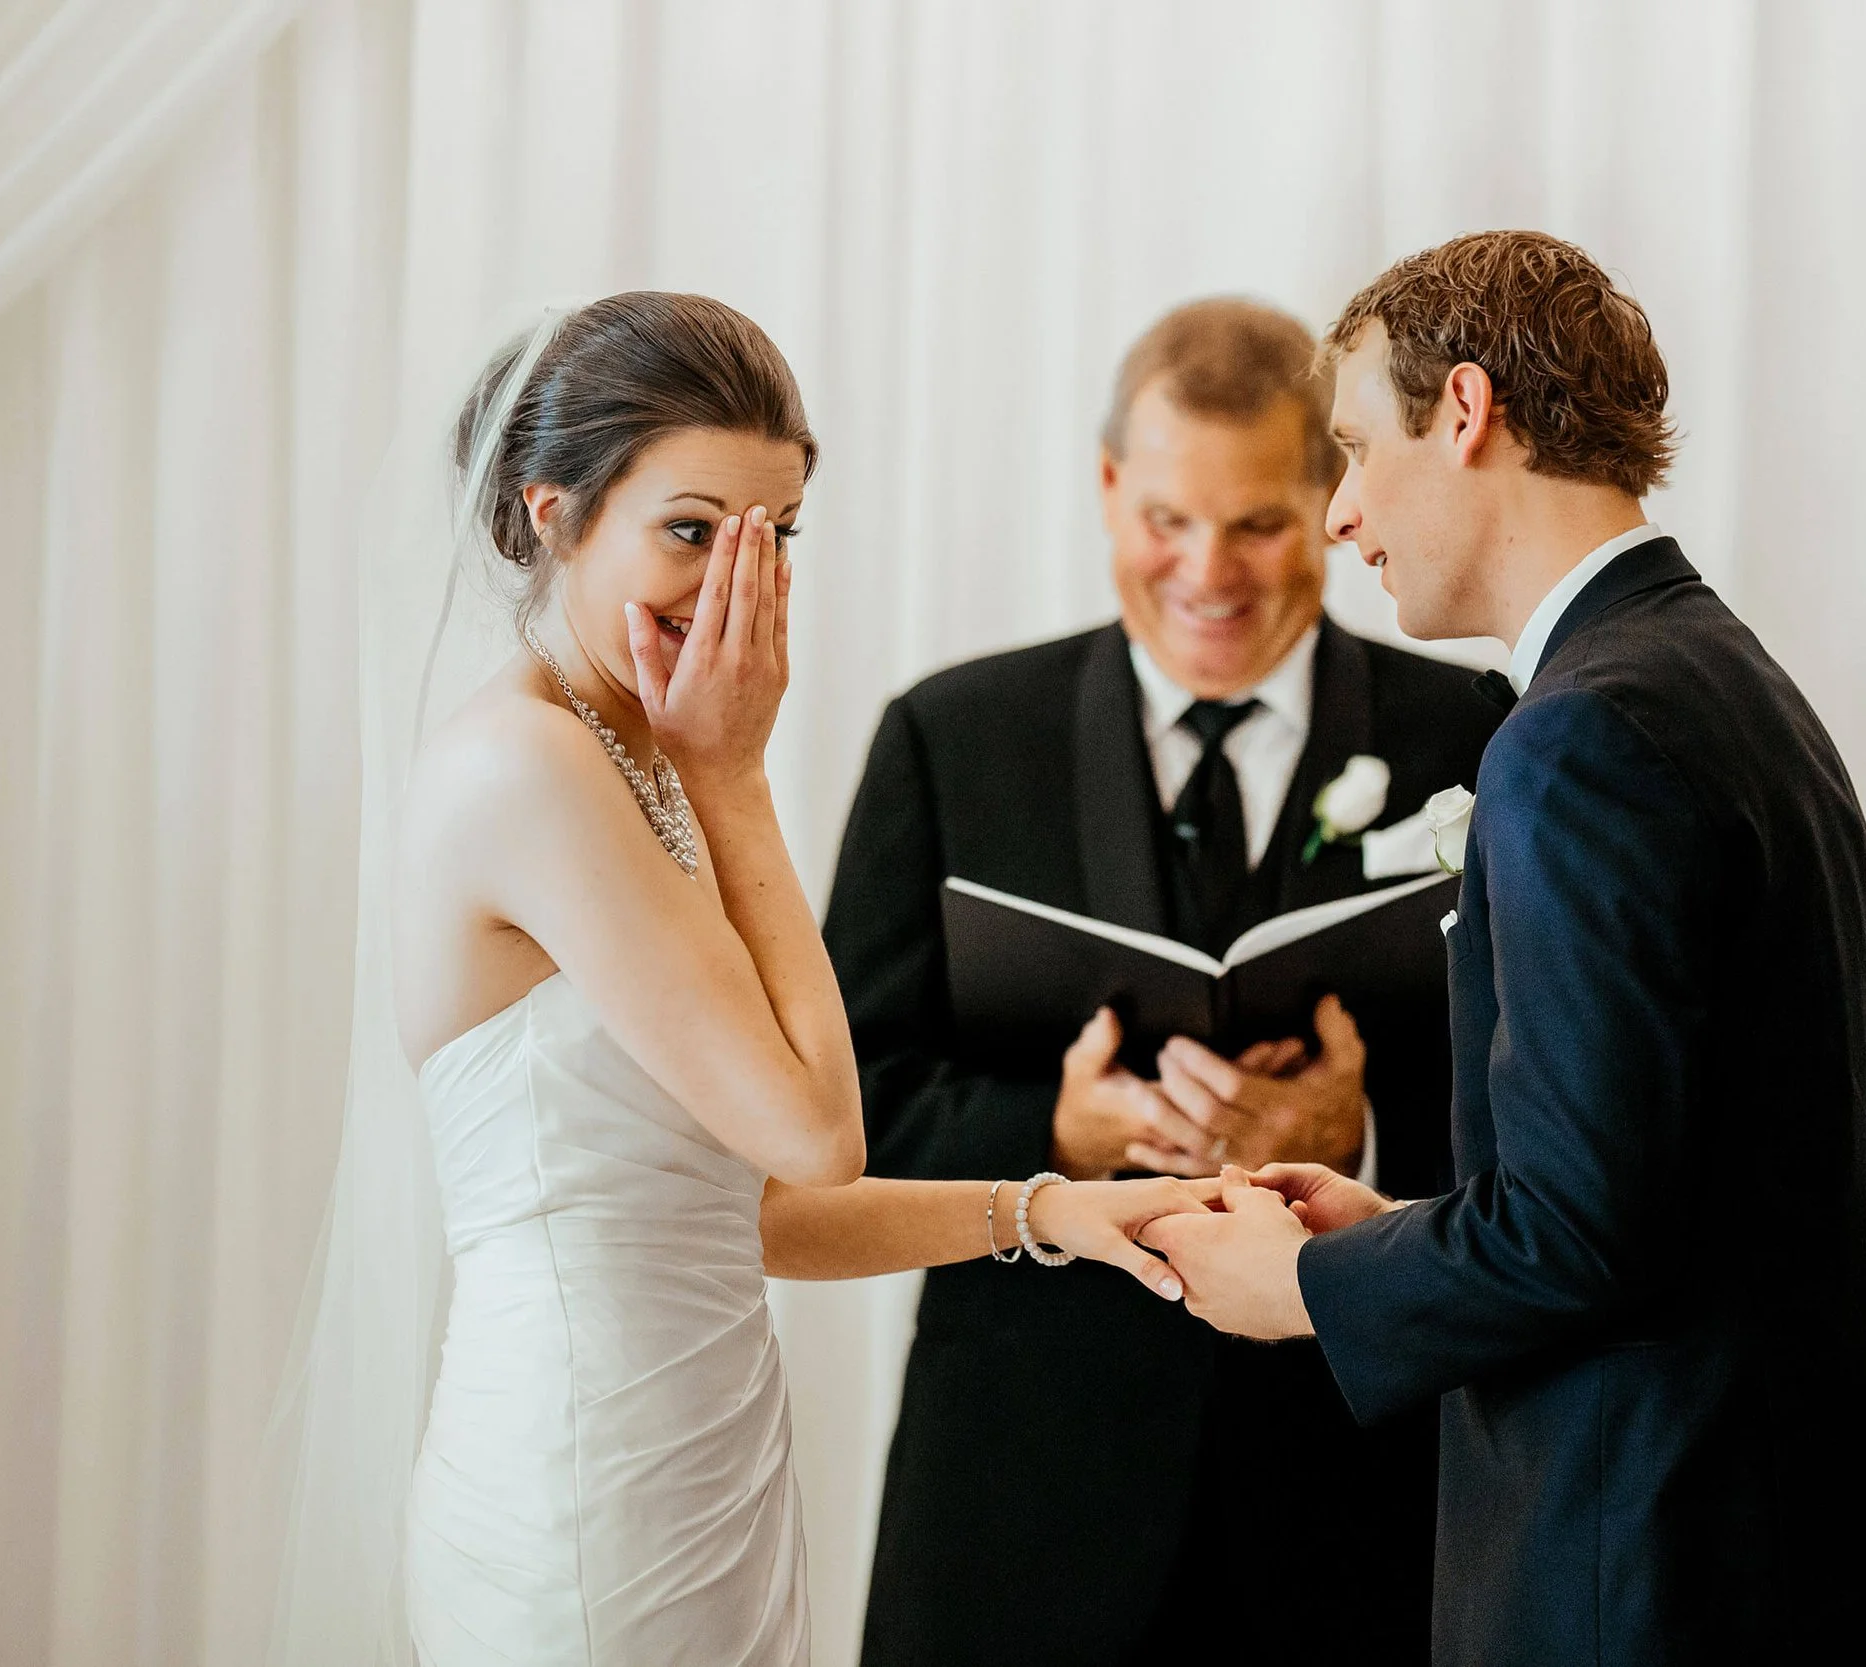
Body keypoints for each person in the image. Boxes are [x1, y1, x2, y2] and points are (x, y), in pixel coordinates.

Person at [282, 292, 1212, 1667]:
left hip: (705, 1461)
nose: (736, 582)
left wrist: (1051, 1209)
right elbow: (818, 1132)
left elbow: (754, 1209)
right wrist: (736, 774)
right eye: (690, 529)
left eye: (774, 536)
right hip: (582, 1479)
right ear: (552, 513)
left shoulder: (627, 752)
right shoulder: (528, 769)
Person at [1142, 234, 1866, 1666]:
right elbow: (1661, 1180)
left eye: (1352, 448)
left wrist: (1305, 1288)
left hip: (1638, 1570)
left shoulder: (1580, 737)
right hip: (1757, 1551)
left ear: (1464, 412)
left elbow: (1584, 1233)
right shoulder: (1726, 680)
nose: (1340, 514)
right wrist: (1393, 1228)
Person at [824, 298, 1502, 1663]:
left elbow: (1549, 1121)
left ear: (1330, 495)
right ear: (1107, 487)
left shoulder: (1471, 736)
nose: (1209, 570)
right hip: (1024, 1499)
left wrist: (1359, 1139)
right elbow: (841, 1116)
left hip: (1354, 1501)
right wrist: (1056, 1139)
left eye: (1258, 522)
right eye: (1167, 520)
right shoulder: (951, 740)